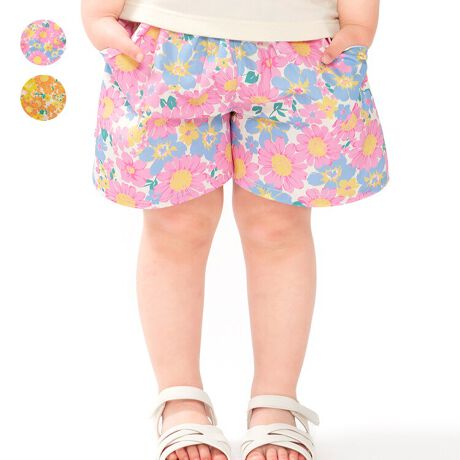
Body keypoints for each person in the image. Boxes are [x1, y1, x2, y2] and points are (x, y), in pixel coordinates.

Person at [81, 1, 389, 459]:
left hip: (302, 44)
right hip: (168, 39)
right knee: (176, 225)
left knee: (278, 226)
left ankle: (276, 403)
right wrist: (98, 13)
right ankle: (180, 400)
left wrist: (360, 21)